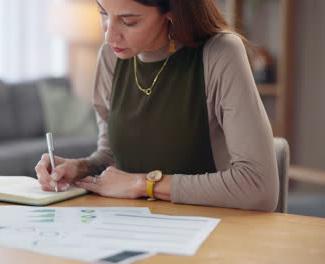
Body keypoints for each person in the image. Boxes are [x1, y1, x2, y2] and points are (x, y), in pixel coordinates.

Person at [35, 0, 279, 211]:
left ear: (172, 11)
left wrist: (143, 184)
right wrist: (79, 168)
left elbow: (258, 186)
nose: (109, 36)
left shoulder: (220, 53)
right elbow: (112, 155)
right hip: (131, 224)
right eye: (103, 13)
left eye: (128, 21)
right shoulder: (111, 57)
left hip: (209, 228)